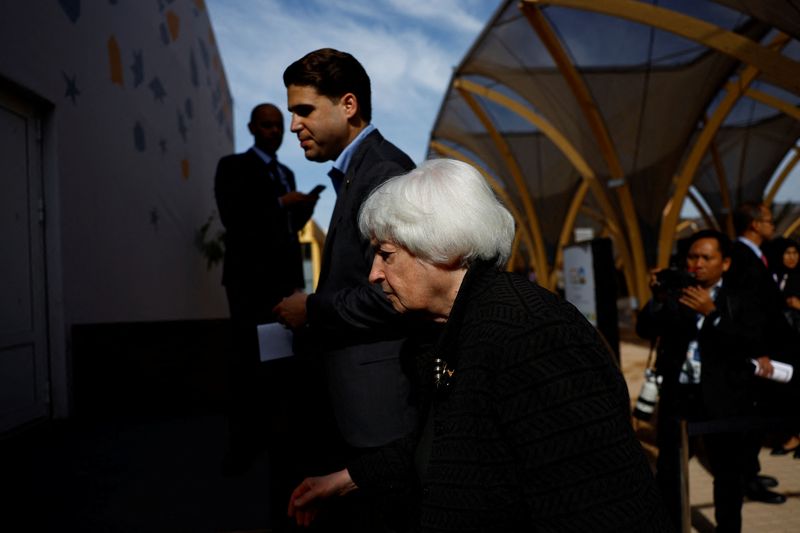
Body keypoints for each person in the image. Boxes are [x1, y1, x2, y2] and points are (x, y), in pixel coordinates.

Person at [287, 158, 671, 532]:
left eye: (387, 255)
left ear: (445, 248)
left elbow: (597, 501)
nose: (374, 274)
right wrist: (343, 479)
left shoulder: (529, 333)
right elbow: (443, 446)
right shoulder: (448, 329)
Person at [272, 48, 418, 531]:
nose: (294, 125)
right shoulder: (362, 171)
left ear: (348, 106)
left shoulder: (384, 174)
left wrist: (311, 308)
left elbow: (397, 293)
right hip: (358, 408)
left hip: (378, 417)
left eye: (305, 110)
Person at [214, 103, 319, 525]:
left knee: (278, 366)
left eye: (279, 125)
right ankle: (241, 450)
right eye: (268, 124)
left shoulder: (287, 174)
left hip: (282, 285)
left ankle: (276, 443)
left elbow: (288, 230)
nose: (275, 130)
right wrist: (280, 202)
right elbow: (233, 217)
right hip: (247, 285)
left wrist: (304, 206)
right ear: (252, 128)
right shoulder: (233, 166)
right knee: (245, 364)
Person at [637, 229, 765, 532]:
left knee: (727, 475)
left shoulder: (739, 299)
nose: (698, 263)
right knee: (669, 472)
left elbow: (748, 345)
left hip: (723, 400)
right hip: (678, 396)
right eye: (693, 256)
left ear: (725, 263)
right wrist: (657, 299)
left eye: (707, 257)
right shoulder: (676, 293)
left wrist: (712, 315)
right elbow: (645, 329)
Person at [725, 202, 792, 504]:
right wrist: (758, 352)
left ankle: (750, 470)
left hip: (765, 348)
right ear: (753, 224)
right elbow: (744, 311)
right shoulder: (740, 258)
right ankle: (746, 480)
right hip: (754, 354)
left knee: (757, 414)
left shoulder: (756, 256)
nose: (773, 225)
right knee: (750, 417)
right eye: (768, 220)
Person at [765, 237, 800, 456]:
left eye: (795, 253)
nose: (792, 257)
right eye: (787, 253)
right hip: (783, 345)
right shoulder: (774, 278)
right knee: (787, 391)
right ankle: (791, 435)